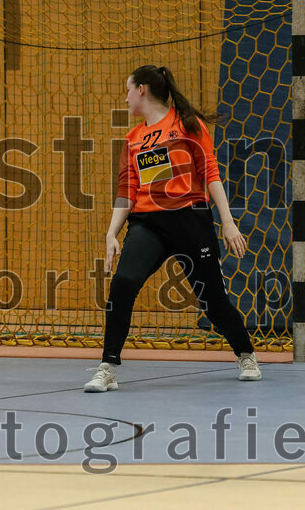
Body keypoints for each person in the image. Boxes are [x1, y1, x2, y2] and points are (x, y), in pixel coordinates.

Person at [84, 64, 261, 392]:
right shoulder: (133, 138)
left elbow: (211, 173)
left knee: (213, 301)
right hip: (148, 223)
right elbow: (127, 190)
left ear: (142, 91)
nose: (124, 99)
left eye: (127, 90)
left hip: (189, 220)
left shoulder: (187, 125)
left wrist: (228, 222)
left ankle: (246, 354)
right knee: (123, 283)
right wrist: (111, 233)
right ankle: (107, 367)